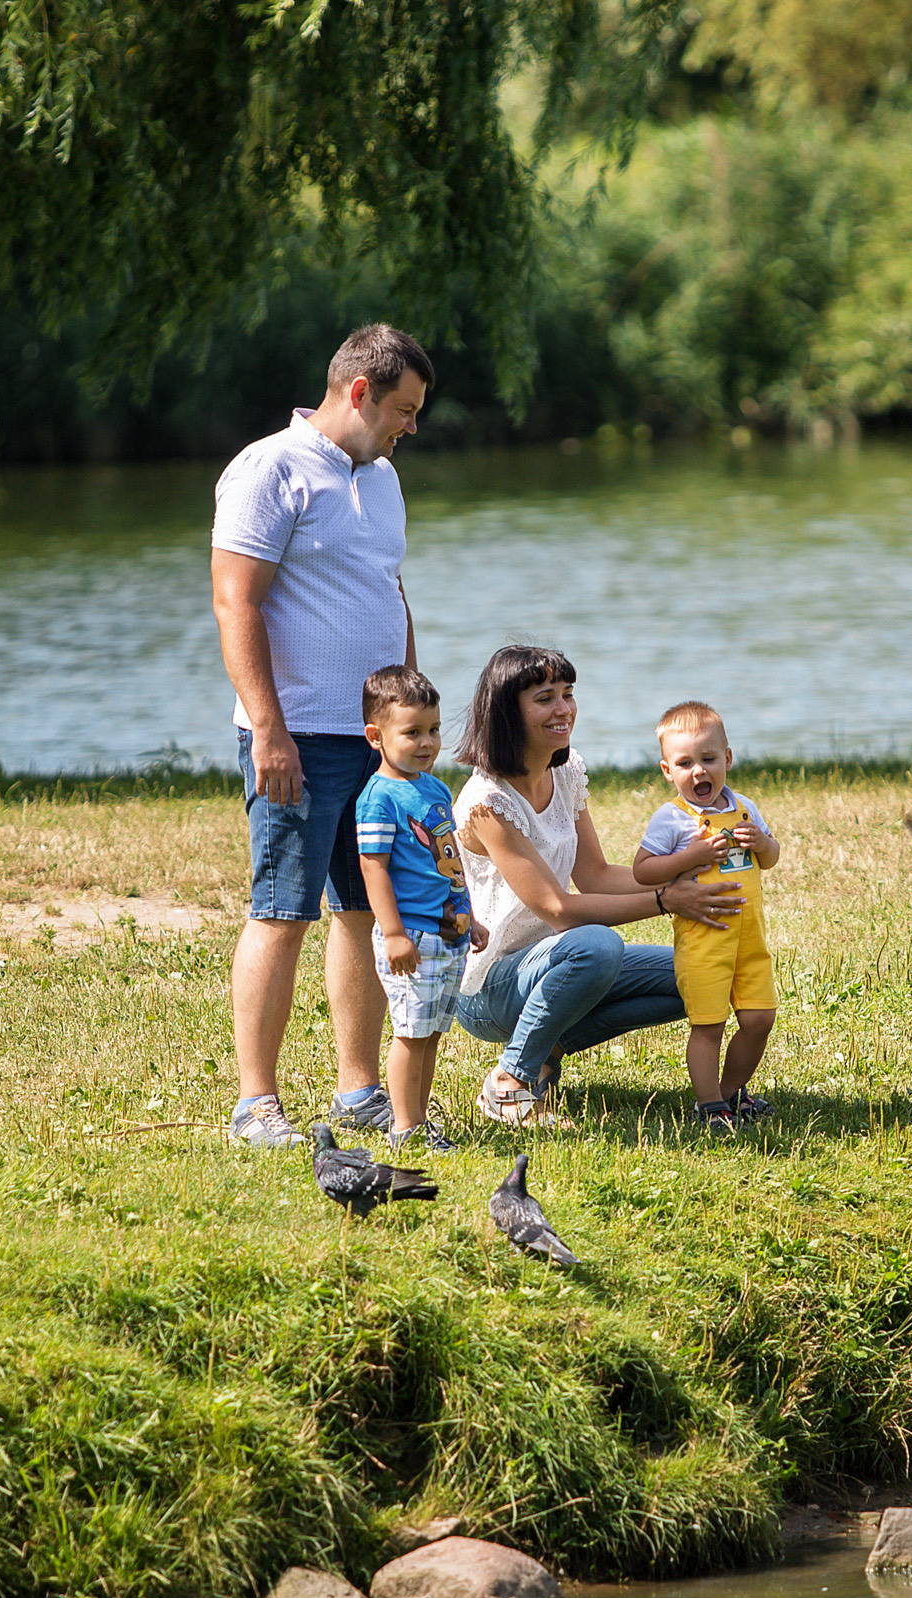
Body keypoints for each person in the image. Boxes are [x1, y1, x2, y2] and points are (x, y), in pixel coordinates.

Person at [210, 323, 434, 1149]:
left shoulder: (381, 479)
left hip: (375, 739)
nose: (412, 426)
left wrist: (408, 715)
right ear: (360, 392)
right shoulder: (269, 468)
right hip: (296, 736)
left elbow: (391, 590)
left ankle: (359, 1090)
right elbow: (237, 602)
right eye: (405, 410)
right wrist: (267, 727)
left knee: (365, 913)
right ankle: (255, 1105)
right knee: (282, 910)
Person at [452, 645, 744, 1130]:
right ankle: (510, 1082)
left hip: (558, 958)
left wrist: (690, 872)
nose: (563, 708)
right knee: (596, 946)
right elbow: (558, 908)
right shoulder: (487, 801)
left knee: (699, 974)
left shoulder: (565, 773)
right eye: (545, 698)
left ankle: (544, 1049)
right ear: (507, 710)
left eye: (567, 694)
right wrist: (664, 901)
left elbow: (596, 875)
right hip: (490, 984)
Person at [353, 665, 486, 1154]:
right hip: (410, 934)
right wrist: (392, 934)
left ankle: (419, 1119)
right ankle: (404, 1128)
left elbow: (448, 860)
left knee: (430, 1034)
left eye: (432, 730)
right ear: (376, 736)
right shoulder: (379, 798)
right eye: (412, 733)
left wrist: (470, 914)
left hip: (447, 931)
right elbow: (374, 870)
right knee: (410, 1033)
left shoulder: (433, 789)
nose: (427, 742)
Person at [632, 701, 782, 1130]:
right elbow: (644, 870)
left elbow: (771, 857)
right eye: (685, 763)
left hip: (750, 939)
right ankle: (710, 1104)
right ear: (667, 771)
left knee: (760, 1018)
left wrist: (763, 844)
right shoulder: (673, 818)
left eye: (708, 759)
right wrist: (689, 855)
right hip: (704, 939)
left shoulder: (745, 808)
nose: (699, 771)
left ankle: (733, 1093)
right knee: (709, 1024)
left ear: (727, 759)